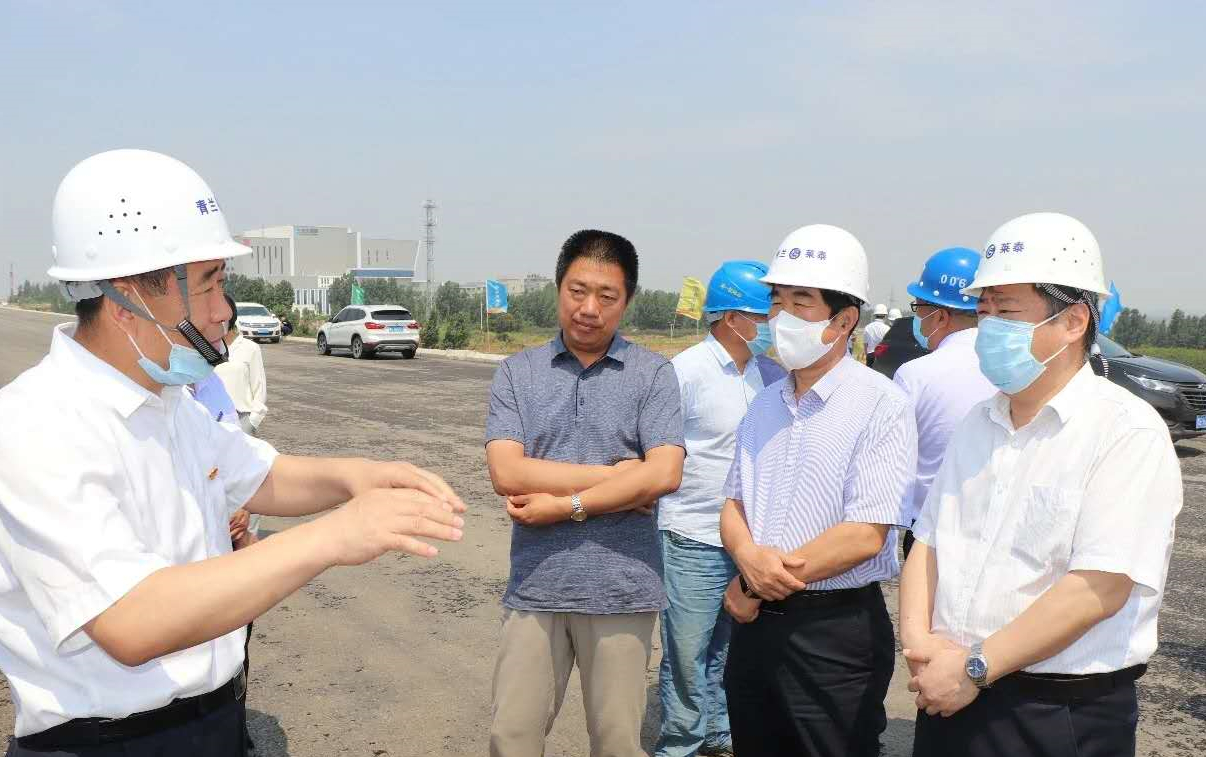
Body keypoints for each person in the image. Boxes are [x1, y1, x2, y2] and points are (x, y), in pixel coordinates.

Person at [0, 149, 467, 756]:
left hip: (216, 723)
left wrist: (361, 476)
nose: (224, 309)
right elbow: (131, 620)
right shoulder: (37, 424)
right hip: (105, 743)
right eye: (209, 284)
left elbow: (262, 476)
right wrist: (335, 535)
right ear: (126, 299)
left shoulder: (170, 402)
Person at [900, 212, 1182, 757]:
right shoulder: (978, 422)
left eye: (1006, 311)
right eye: (983, 311)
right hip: (947, 689)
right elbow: (928, 542)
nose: (988, 328)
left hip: (1057, 714)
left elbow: (1098, 587)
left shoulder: (1125, 431)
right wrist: (919, 645)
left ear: (1073, 321)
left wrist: (975, 667)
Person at [485, 229, 686, 757]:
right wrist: (623, 478)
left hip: (622, 591)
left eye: (607, 296)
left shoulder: (653, 375)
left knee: (617, 743)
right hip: (537, 588)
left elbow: (665, 475)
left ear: (627, 301)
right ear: (558, 289)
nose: (589, 309)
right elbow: (507, 472)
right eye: (577, 291)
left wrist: (564, 506)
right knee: (512, 737)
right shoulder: (518, 373)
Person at [719, 225, 917, 757]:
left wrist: (755, 582)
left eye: (800, 302)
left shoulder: (881, 405)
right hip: (755, 628)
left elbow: (864, 534)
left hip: (833, 634)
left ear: (843, 321)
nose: (781, 317)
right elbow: (734, 504)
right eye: (776, 301)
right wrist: (747, 562)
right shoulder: (764, 403)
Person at [655, 261, 785, 757]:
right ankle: (680, 743)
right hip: (692, 534)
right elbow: (656, 451)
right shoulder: (685, 372)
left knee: (730, 646)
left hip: (749, 540)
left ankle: (718, 730)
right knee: (687, 651)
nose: (774, 324)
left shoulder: (771, 375)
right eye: (765, 315)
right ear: (732, 318)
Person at [893, 248, 995, 558]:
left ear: (939, 316)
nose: (918, 321)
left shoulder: (915, 375)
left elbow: (893, 467)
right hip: (994, 535)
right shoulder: (1009, 371)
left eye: (919, 309)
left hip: (929, 535)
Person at [216, 294, 269, 437]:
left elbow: (259, 390)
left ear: (230, 316)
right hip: (210, 420)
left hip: (241, 420)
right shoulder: (203, 349)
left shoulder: (250, 348)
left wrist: (251, 423)